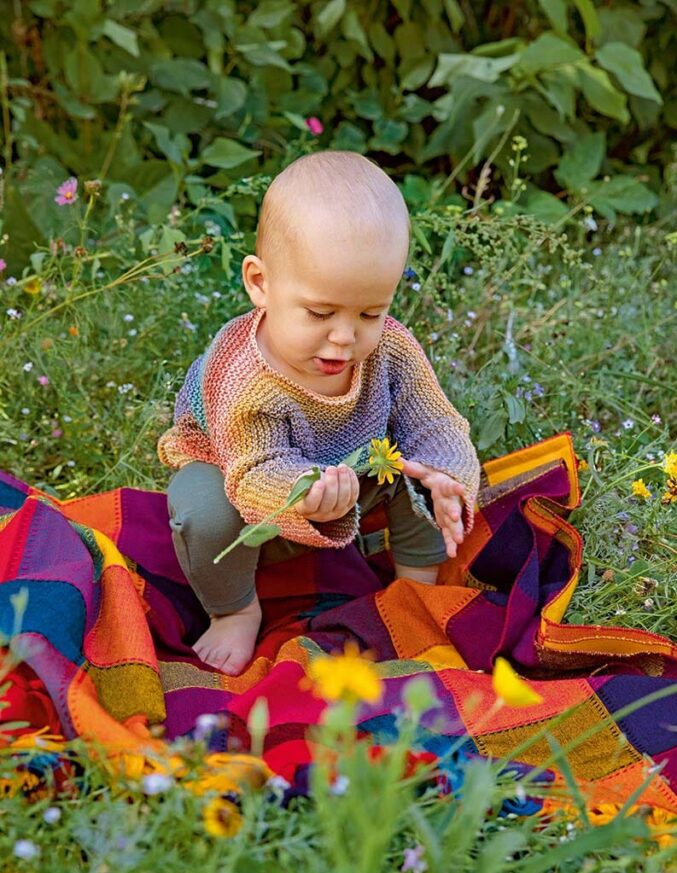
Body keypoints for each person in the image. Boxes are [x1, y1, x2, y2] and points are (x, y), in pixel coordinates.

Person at [158, 151, 480, 675]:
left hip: (350, 469)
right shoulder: (240, 376)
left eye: (371, 312)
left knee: (424, 468)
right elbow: (253, 472)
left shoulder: (390, 349)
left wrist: (449, 473)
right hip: (244, 482)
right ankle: (234, 608)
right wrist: (305, 495)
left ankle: (415, 591)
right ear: (260, 283)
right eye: (320, 312)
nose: (345, 337)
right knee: (202, 508)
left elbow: (434, 420)